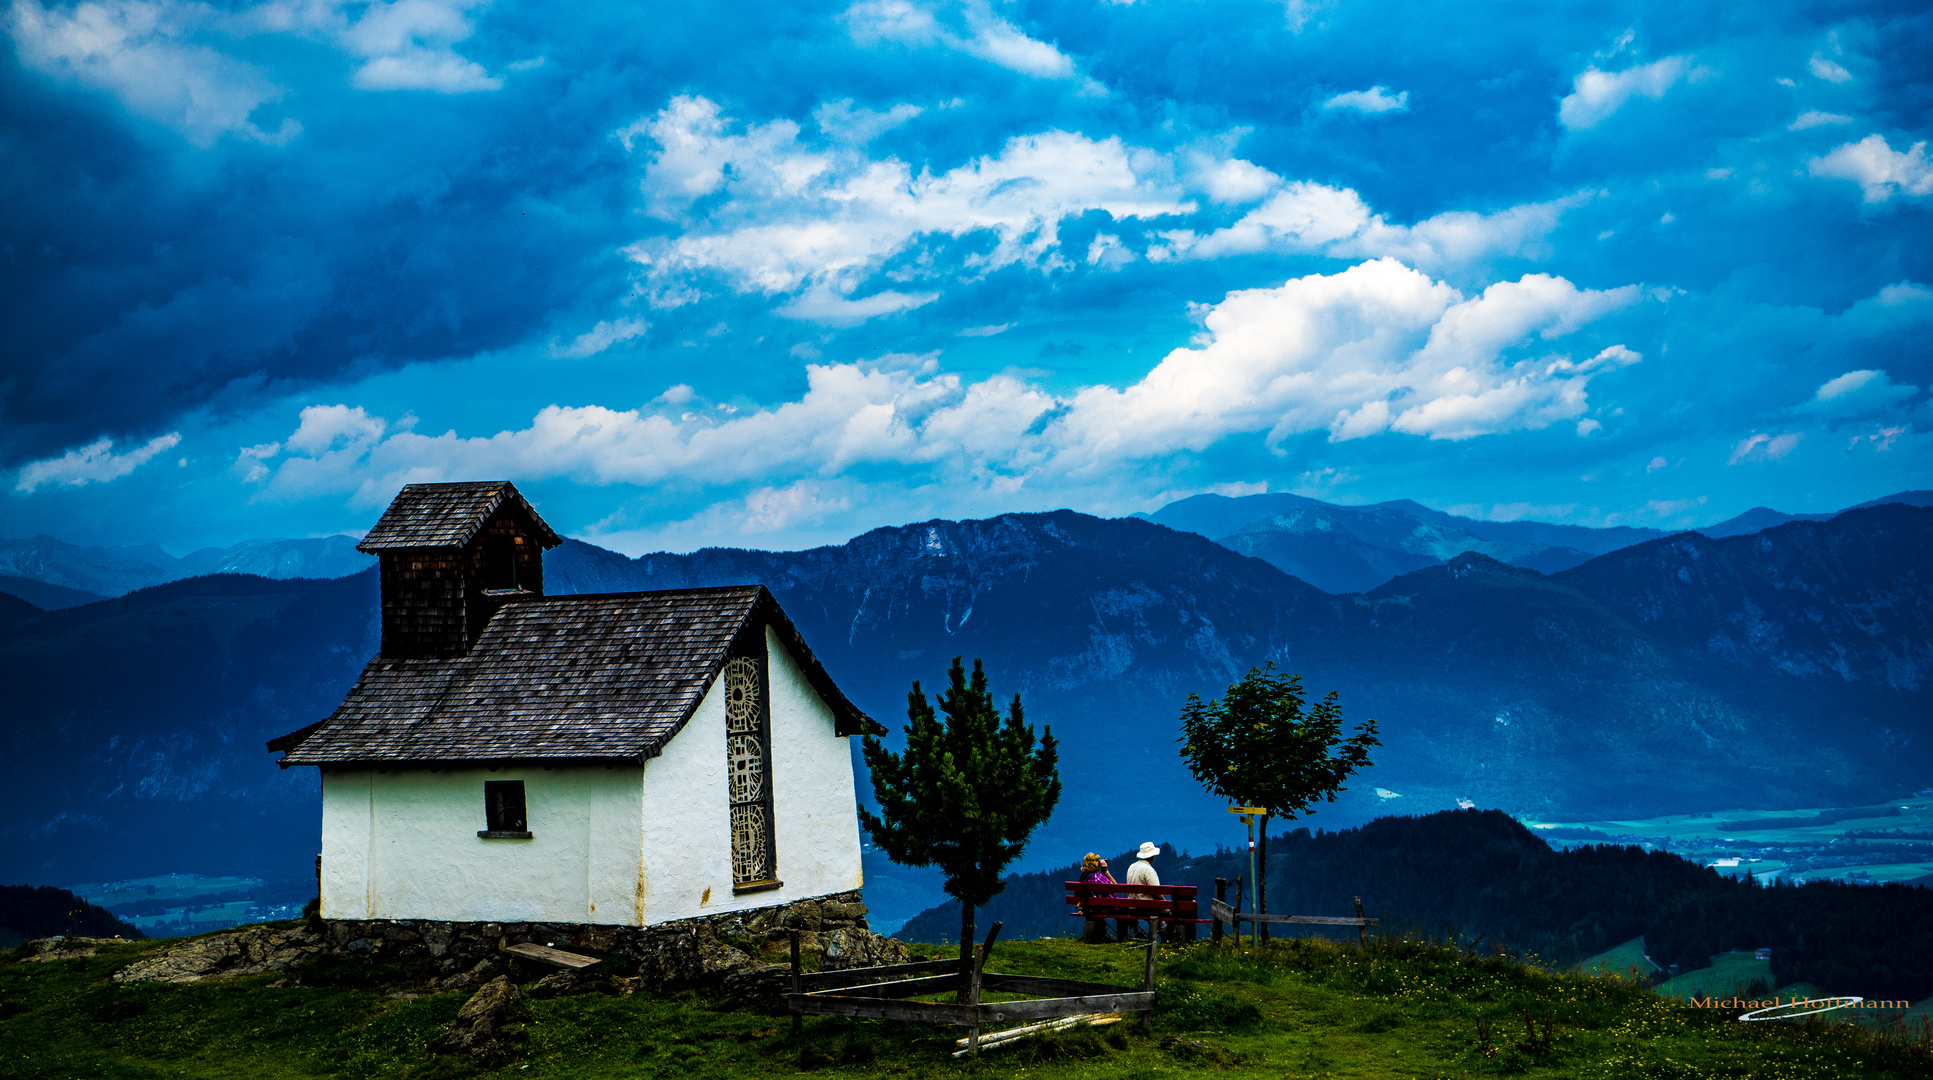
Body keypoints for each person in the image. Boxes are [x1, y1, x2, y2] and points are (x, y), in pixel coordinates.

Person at [1077, 852, 1119, 943]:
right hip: (1102, 909)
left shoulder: (1083, 877)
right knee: (1123, 910)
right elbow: (1115, 887)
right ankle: (1123, 937)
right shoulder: (1097, 877)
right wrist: (1106, 872)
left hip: (1088, 909)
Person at [1125, 842, 1161, 940]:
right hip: (1147, 908)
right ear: (1151, 856)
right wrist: (1165, 903)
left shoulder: (1131, 867)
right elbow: (1156, 892)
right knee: (1168, 912)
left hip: (1132, 907)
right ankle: (1165, 933)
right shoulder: (1148, 870)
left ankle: (1138, 932)